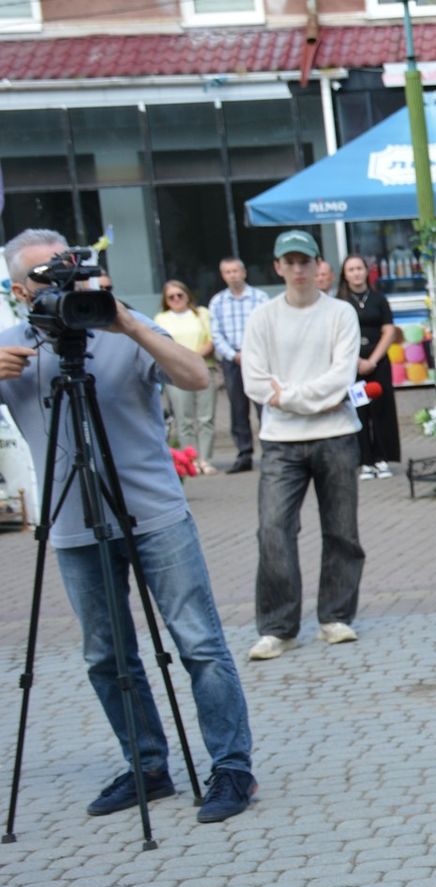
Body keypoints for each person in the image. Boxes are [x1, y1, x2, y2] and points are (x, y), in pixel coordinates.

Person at [0, 230, 257, 823]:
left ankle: (231, 767)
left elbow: (197, 378)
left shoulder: (121, 326)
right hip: (73, 524)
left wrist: (129, 325)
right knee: (104, 654)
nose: (61, 284)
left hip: (155, 516)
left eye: (67, 269)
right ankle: (147, 765)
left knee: (198, 643)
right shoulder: (11, 348)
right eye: (43, 276)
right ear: (18, 290)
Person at [242, 229, 365, 661]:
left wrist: (287, 396)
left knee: (341, 529)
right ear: (277, 267)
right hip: (280, 441)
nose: (298, 269)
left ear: (317, 266)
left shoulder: (340, 313)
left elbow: (341, 378)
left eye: (304, 261)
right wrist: (313, 399)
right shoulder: (262, 318)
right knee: (273, 529)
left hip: (336, 434)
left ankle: (336, 616)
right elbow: (255, 382)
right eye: (289, 262)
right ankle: (278, 627)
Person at [338, 254, 402, 479]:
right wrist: (357, 361)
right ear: (345, 275)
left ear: (366, 271)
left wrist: (373, 360)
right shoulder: (340, 303)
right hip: (353, 365)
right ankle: (365, 460)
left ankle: (382, 458)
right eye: (351, 269)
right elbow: (338, 337)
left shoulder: (379, 299)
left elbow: (389, 331)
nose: (356, 273)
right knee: (360, 411)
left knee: (381, 410)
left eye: (359, 268)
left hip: (378, 364)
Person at [209, 256, 266, 474]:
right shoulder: (218, 302)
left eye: (236, 271)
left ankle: (270, 451)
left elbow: (267, 328)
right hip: (232, 361)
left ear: (244, 272)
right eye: (228, 272)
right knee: (238, 409)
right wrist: (233, 355)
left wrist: (251, 353)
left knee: (264, 405)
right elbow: (216, 334)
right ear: (223, 276)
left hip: (258, 359)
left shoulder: (260, 298)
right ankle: (244, 454)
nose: (233, 275)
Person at [154, 279, 217, 473]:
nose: (176, 299)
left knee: (206, 417)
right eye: (171, 297)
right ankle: (191, 460)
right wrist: (184, 362)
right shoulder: (161, 318)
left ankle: (205, 459)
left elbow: (211, 340)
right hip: (176, 372)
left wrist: (192, 359)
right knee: (184, 419)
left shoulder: (201, 313)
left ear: (187, 295)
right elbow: (161, 345)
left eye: (179, 295)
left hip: (204, 368)